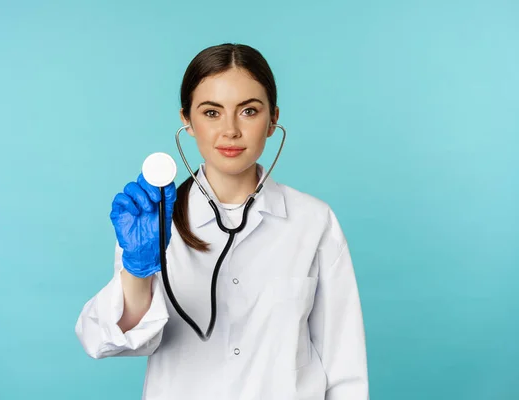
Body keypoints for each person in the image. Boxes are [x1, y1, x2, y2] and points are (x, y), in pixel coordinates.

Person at [75, 43, 369, 399]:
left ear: (273, 119)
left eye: (248, 111)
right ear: (187, 120)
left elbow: (344, 366)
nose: (230, 130)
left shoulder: (314, 221)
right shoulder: (153, 221)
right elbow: (102, 340)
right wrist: (138, 271)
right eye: (211, 112)